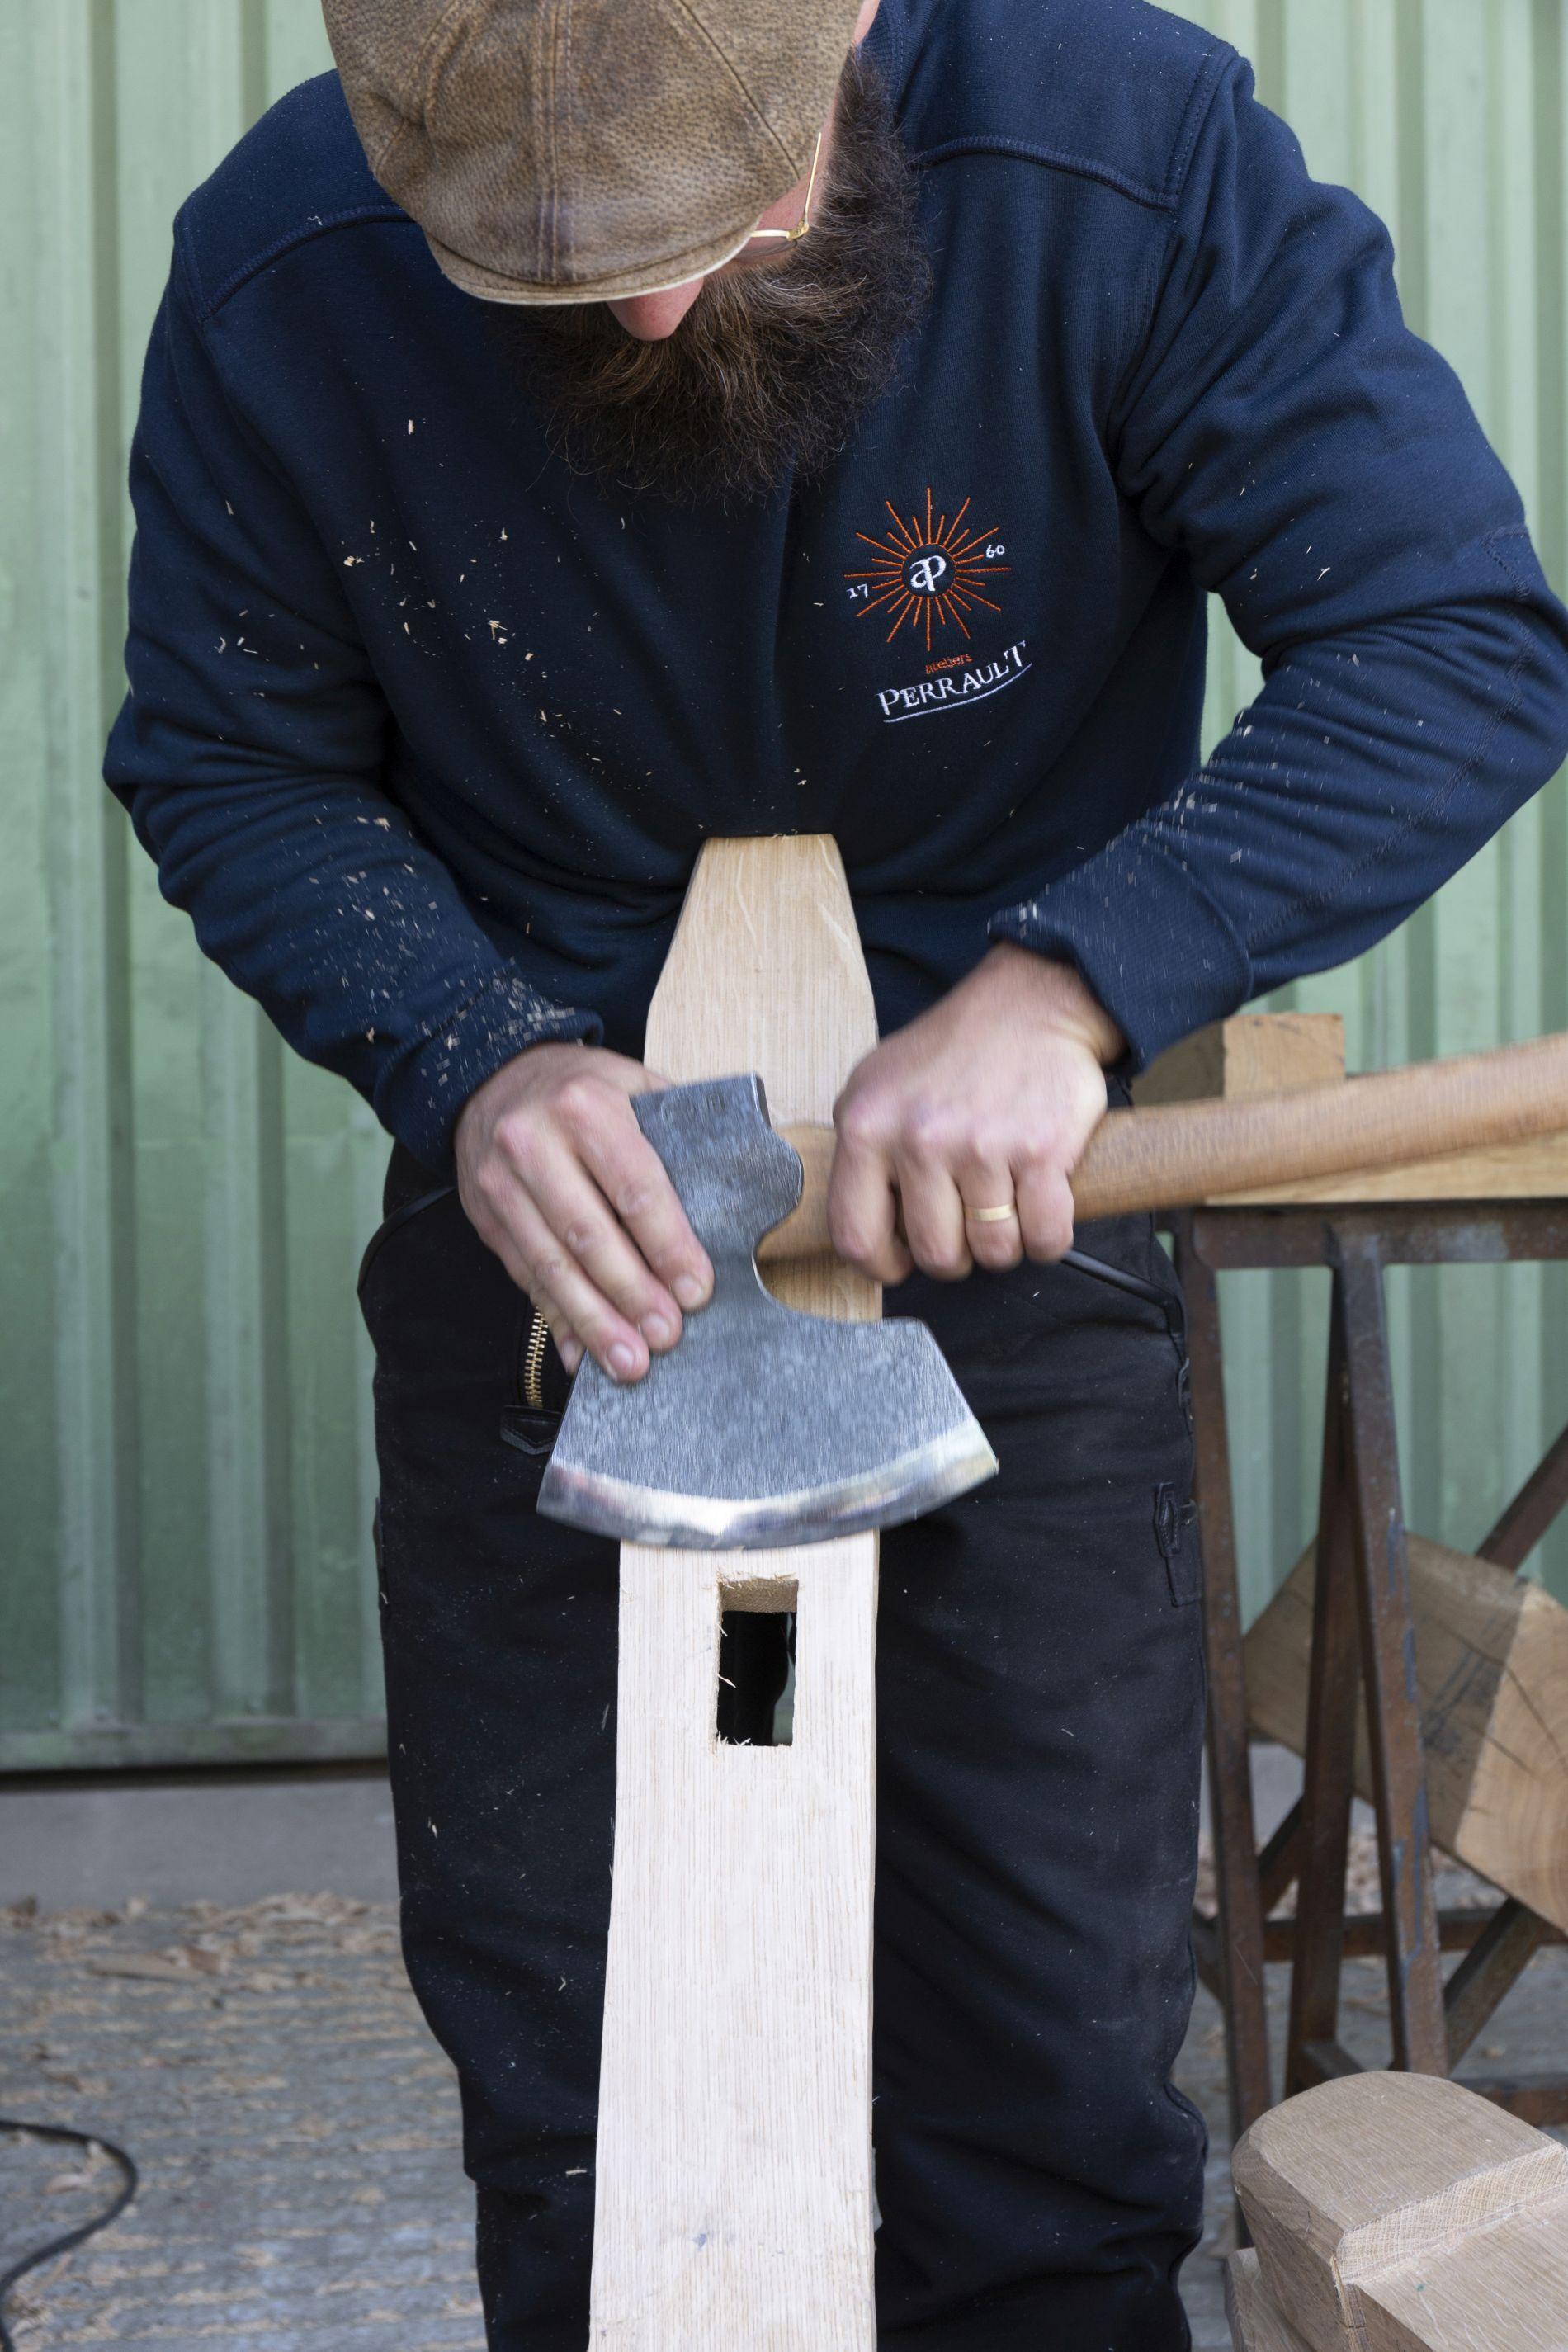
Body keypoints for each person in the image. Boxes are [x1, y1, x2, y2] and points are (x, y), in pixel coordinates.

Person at [104, 0, 1568, 2342]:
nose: (651, 308)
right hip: (563, 1233)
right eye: (551, 271)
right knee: (589, 2089)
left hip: (1005, 1201)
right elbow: (233, 759)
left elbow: (1441, 638)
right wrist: (476, 1062)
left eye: (713, 216)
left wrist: (1066, 988)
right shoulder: (284, 270)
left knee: (1042, 2088)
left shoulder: (1126, 155)